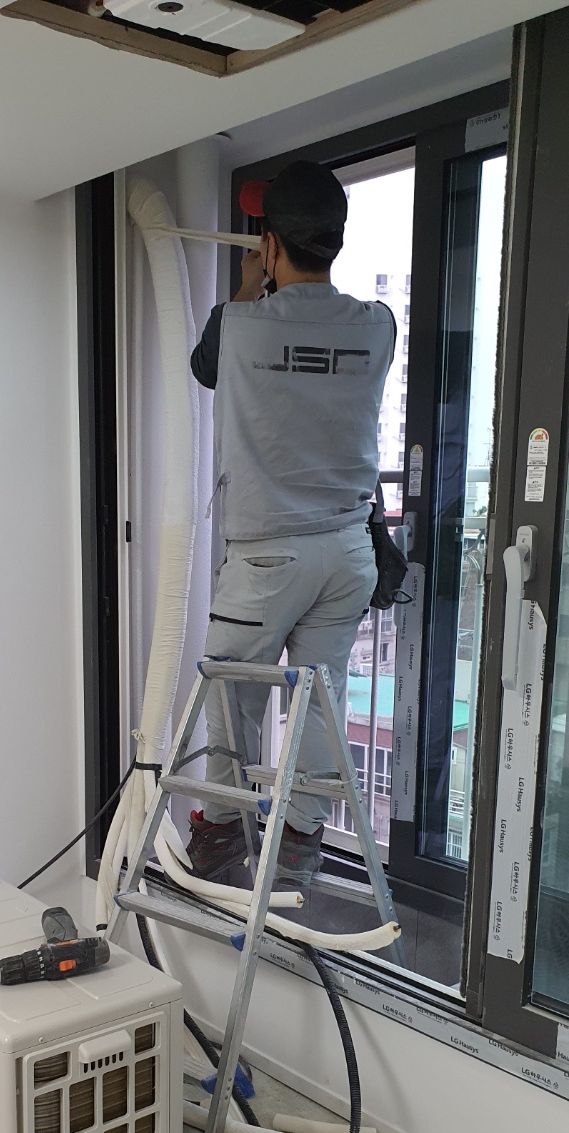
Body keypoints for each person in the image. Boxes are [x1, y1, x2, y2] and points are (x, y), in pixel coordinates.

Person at [186, 159, 396, 888]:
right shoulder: (378, 325)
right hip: (346, 553)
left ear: (270, 245)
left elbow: (206, 367)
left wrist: (252, 283)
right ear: (335, 240)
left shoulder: (236, 324)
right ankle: (301, 840)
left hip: (267, 557)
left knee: (231, 695)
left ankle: (221, 831)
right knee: (321, 696)